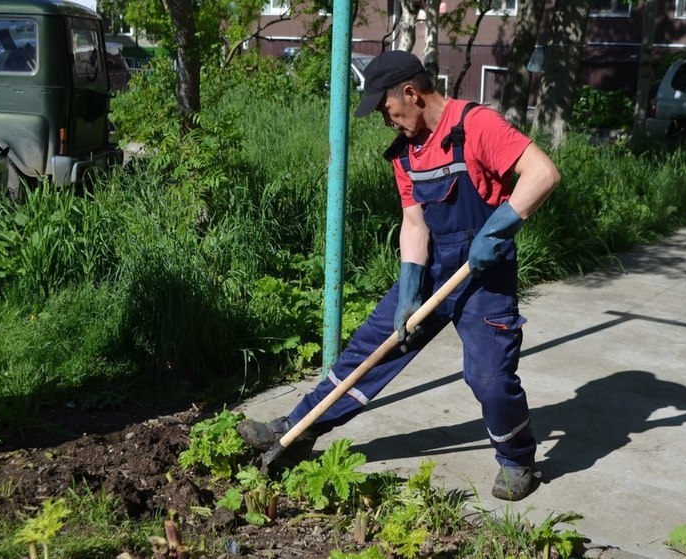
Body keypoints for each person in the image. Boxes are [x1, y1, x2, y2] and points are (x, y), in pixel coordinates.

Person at [238, 50, 561, 501]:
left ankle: (517, 460)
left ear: (410, 92)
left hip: (484, 272)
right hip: (434, 267)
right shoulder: (405, 153)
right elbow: (414, 223)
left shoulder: (476, 125)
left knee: (489, 377)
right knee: (371, 349)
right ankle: (300, 427)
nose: (387, 121)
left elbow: (542, 173)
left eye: (387, 109)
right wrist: (410, 284)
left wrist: (500, 228)